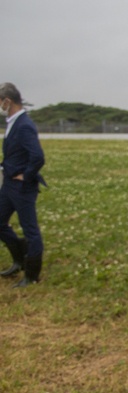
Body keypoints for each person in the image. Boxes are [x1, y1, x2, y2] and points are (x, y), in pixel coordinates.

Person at [0, 82, 45, 288]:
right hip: (8, 185)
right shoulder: (12, 122)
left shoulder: (24, 125)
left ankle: (32, 274)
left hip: (22, 187)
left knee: (31, 230)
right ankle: (20, 258)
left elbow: (38, 157)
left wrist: (26, 176)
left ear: (7, 101)